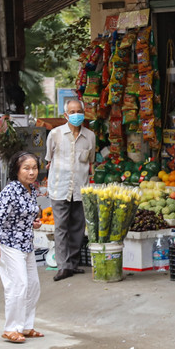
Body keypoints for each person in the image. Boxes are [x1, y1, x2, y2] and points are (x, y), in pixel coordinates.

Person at [0, 152, 44, 344]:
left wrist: (33, 223)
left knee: (33, 286)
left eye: (34, 168)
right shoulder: (10, 191)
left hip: (26, 244)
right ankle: (11, 328)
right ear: (17, 170)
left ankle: (26, 326)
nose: (31, 172)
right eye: (26, 168)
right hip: (8, 245)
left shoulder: (32, 190)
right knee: (18, 285)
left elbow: (24, 216)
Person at [46, 99, 96, 282]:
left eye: (79, 111)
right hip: (60, 187)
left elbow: (90, 161)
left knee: (77, 228)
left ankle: (73, 264)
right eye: (72, 111)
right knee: (61, 228)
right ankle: (63, 266)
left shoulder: (90, 136)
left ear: (84, 113)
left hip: (80, 188)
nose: (76, 115)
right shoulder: (55, 134)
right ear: (66, 115)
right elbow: (49, 158)